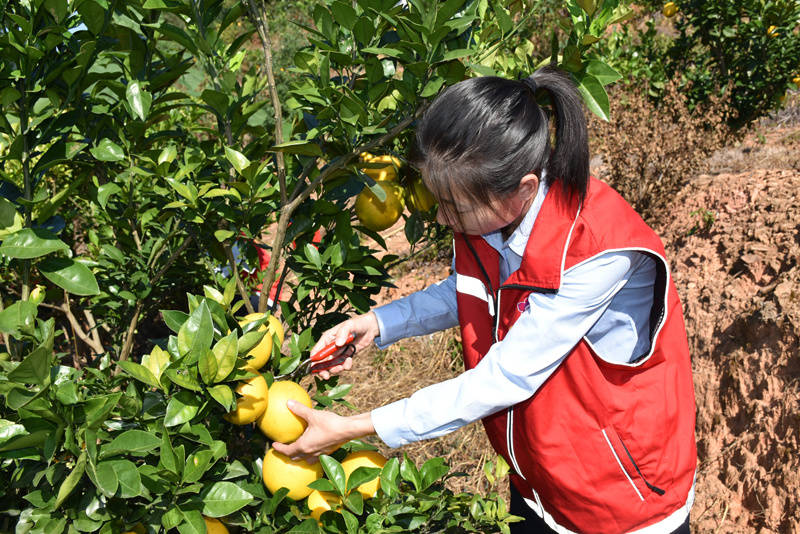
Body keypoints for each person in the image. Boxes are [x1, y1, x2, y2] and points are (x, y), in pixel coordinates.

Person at [272, 65, 697, 534]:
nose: (441, 218)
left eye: (453, 207)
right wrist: (379, 323)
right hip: (541, 482)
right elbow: (473, 290)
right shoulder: (488, 215)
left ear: (524, 190)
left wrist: (355, 426)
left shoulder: (593, 254)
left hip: (620, 500)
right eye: (439, 201)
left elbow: (504, 378)